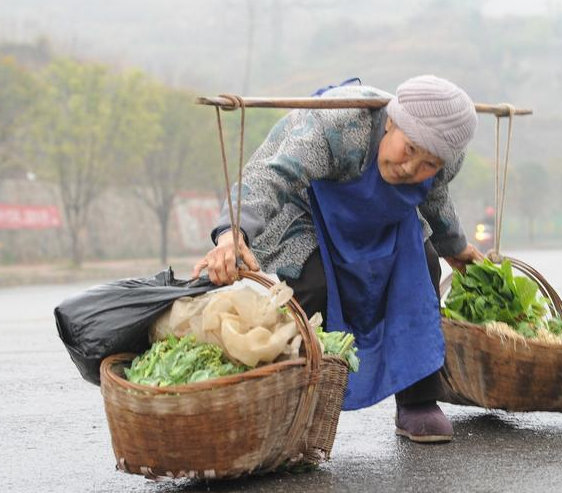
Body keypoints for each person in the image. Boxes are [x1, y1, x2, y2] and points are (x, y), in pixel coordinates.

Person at [192, 75, 482, 443]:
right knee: (311, 286)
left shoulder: (445, 162)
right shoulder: (338, 126)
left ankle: (419, 399)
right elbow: (271, 178)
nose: (411, 169)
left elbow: (434, 199)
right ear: (391, 122)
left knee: (421, 270)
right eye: (408, 150)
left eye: (428, 163)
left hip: (378, 213)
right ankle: (294, 406)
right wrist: (232, 234)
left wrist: (454, 247)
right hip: (303, 205)